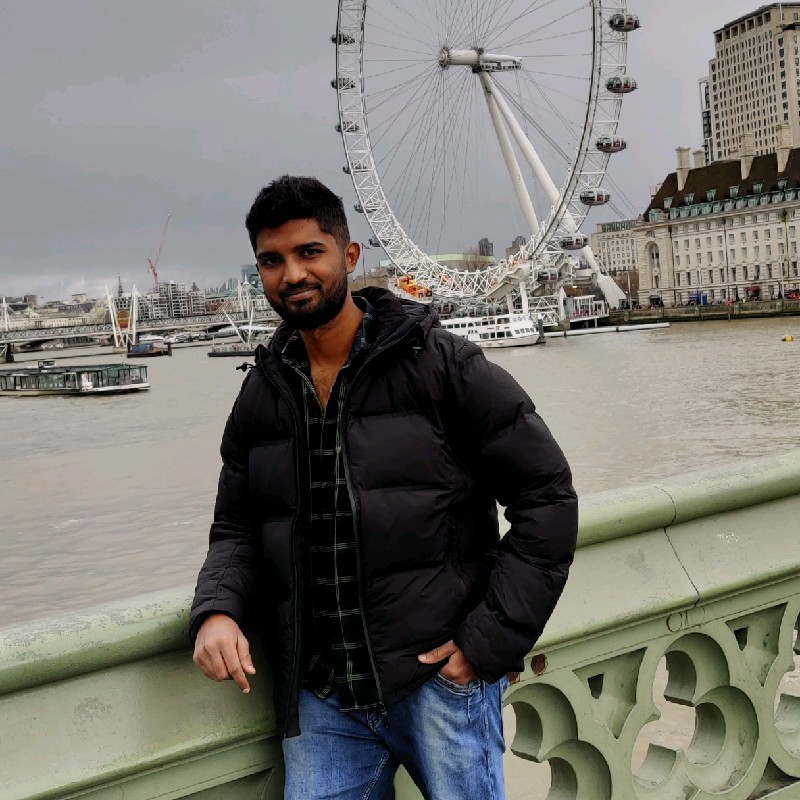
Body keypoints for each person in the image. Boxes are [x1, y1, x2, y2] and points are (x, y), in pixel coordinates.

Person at [190, 175, 579, 799]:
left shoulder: (443, 366)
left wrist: (486, 643)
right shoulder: (261, 393)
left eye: (309, 252)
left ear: (349, 255)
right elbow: (238, 526)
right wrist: (216, 610)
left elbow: (547, 496)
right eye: (272, 260)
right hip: (322, 697)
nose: (292, 274)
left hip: (437, 683)